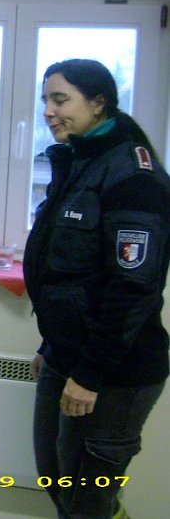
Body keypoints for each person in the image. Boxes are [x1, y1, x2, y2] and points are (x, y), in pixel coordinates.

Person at [24, 59, 170, 519]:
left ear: (98, 102)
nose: (49, 110)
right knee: (56, 480)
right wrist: (51, 345)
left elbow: (133, 289)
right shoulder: (81, 162)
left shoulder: (132, 176)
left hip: (114, 374)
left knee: (86, 503)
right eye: (45, 99)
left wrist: (89, 375)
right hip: (66, 357)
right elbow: (68, 276)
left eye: (60, 99)